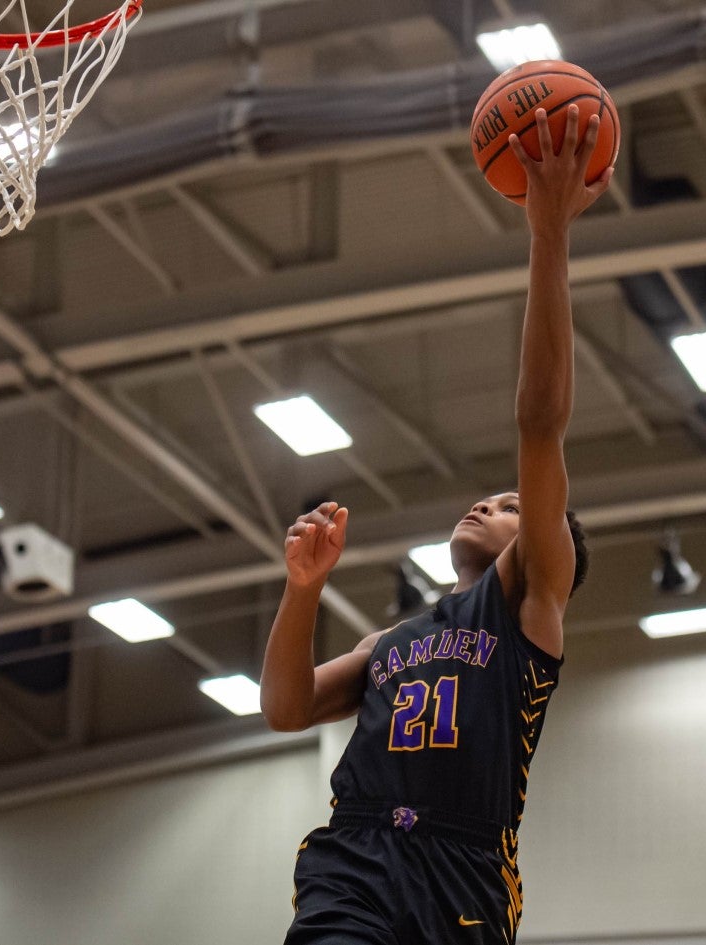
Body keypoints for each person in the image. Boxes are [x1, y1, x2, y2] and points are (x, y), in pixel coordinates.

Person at [260, 104, 611, 945]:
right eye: (492, 496)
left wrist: (548, 234)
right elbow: (286, 705)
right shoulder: (393, 642)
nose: (490, 502)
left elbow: (538, 422)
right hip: (356, 854)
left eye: (515, 504)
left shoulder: (529, 607)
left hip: (461, 871)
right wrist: (301, 590)